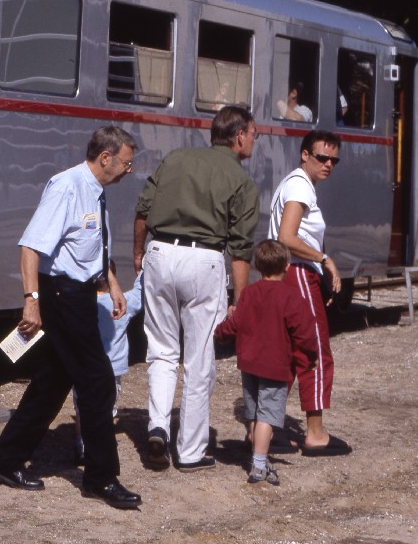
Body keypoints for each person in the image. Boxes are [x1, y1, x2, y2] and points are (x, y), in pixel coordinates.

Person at [0, 127, 142, 510]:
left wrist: (114, 285)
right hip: (60, 294)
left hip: (83, 293)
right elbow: (30, 247)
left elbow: (91, 248)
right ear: (105, 157)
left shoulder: (97, 192)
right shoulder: (67, 188)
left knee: (52, 382)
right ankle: (100, 478)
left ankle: (3, 461)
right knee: (99, 381)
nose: (128, 170)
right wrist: (31, 301)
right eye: (125, 163)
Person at [132, 104, 261, 471]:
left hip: (160, 252)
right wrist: (238, 299)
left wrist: (139, 253)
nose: (254, 140)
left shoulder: (175, 158)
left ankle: (158, 425)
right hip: (204, 260)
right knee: (199, 359)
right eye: (254, 134)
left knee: (160, 350)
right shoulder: (241, 181)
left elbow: (143, 211)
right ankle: (189, 451)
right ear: (239, 137)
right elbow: (239, 248)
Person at [267, 130, 349, 455]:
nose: (328, 164)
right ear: (305, 155)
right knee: (315, 349)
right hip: (297, 273)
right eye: (322, 157)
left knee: (286, 355)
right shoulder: (300, 184)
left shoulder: (296, 183)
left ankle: (268, 427)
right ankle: (315, 433)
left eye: (334, 160)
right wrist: (324, 260)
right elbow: (287, 237)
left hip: (287, 275)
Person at [214, 238, 318, 485]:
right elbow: (304, 332)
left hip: (249, 363)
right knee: (268, 416)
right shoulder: (290, 296)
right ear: (287, 265)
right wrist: (311, 356)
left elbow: (234, 324)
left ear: (258, 267)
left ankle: (256, 453)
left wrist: (219, 333)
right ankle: (259, 466)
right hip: (275, 366)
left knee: (253, 411)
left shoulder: (249, 293)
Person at [74, 259, 143, 463]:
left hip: (83, 365)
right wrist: (143, 269)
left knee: (82, 406)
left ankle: (81, 444)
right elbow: (141, 291)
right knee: (107, 407)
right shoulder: (122, 303)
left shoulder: (80, 305)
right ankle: (102, 443)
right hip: (111, 368)